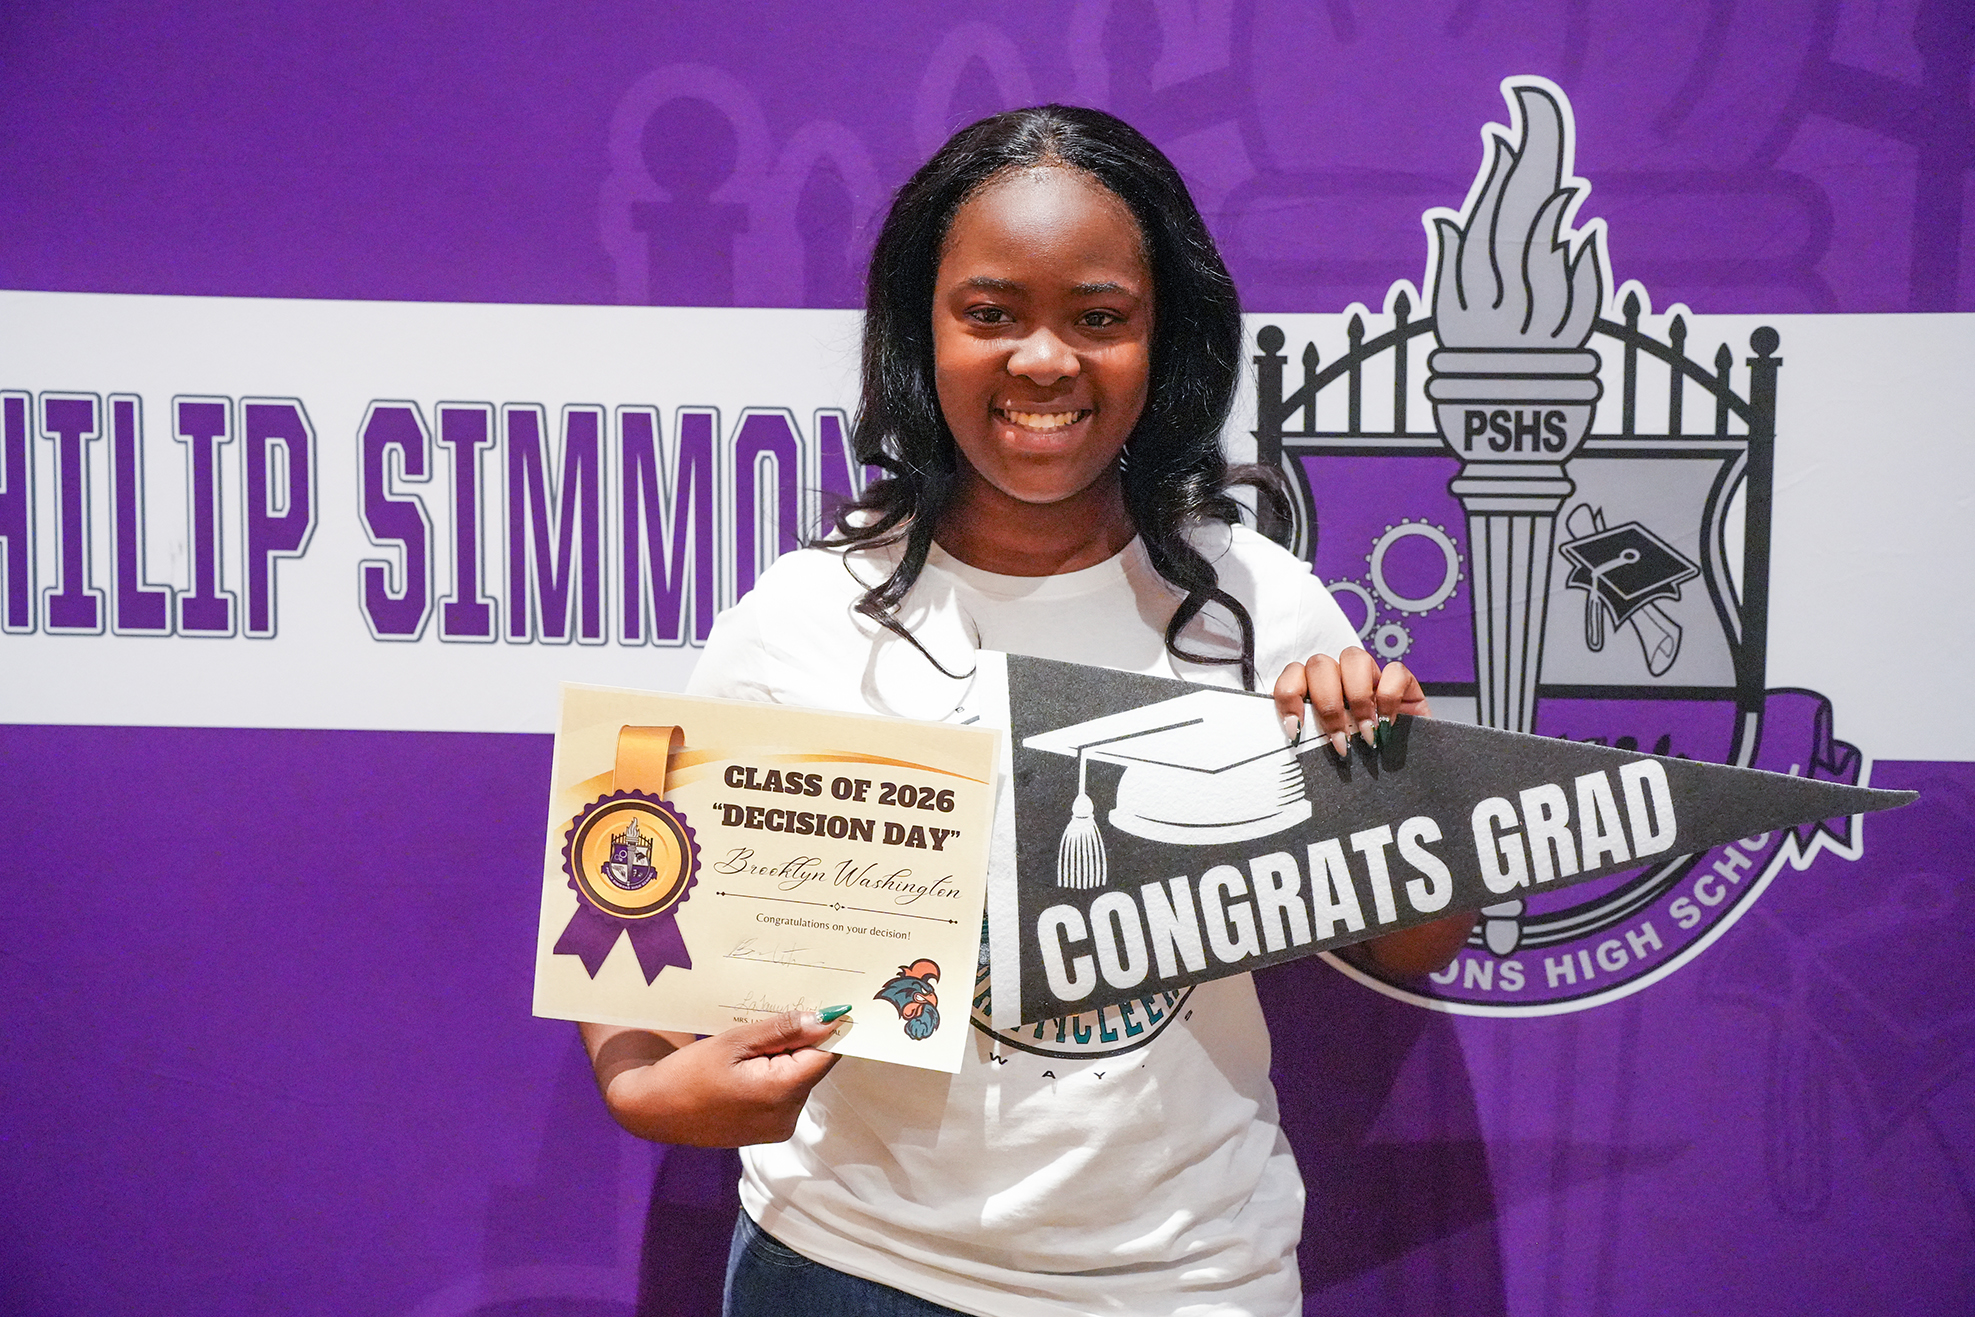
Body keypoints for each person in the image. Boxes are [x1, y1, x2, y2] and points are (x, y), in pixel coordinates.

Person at [580, 104, 1472, 1317]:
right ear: (920, 331)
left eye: (1097, 318)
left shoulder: (1262, 605)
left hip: (1184, 1280)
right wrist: (638, 1082)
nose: (1043, 359)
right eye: (990, 314)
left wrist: (1397, 783)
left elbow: (1412, 945)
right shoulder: (799, 616)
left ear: (1166, 341)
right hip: (846, 1268)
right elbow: (631, 893)